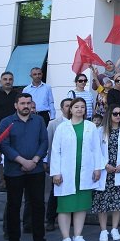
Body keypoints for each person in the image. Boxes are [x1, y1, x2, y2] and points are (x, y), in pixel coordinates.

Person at [0, 93, 52, 241]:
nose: (26, 106)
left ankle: (40, 240)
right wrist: (22, 161)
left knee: (38, 205)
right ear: (16, 105)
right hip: (14, 171)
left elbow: (44, 142)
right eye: (22, 103)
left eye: (28, 103)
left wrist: (34, 160)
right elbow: (5, 146)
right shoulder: (6, 122)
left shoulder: (39, 120)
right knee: (14, 206)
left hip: (36, 170)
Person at [50, 98, 102, 241]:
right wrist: (56, 172)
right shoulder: (62, 127)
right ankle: (66, 238)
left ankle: (78, 236)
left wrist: (97, 168)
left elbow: (96, 149)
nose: (80, 109)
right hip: (66, 173)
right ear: (70, 109)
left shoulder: (91, 126)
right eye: (76, 107)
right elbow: (55, 150)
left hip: (84, 172)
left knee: (81, 205)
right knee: (65, 206)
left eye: (82, 107)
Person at [92, 104, 120, 241]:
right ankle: (103, 230)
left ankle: (114, 228)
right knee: (102, 203)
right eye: (115, 114)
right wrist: (104, 165)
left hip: (119, 170)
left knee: (117, 203)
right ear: (109, 115)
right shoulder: (100, 131)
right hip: (105, 172)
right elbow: (95, 150)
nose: (118, 116)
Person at [45, 97, 72, 232]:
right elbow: (48, 144)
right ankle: (50, 219)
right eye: (67, 106)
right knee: (55, 193)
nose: (69, 108)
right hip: (58, 165)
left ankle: (71, 218)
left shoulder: (80, 123)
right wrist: (48, 163)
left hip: (73, 164)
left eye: (71, 105)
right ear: (61, 108)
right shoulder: (53, 124)